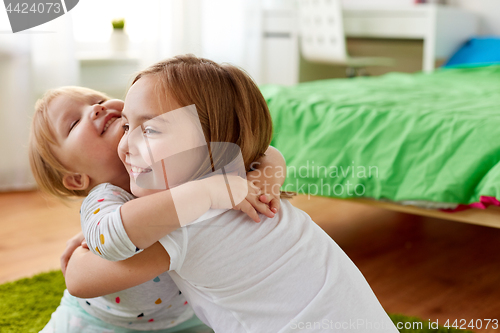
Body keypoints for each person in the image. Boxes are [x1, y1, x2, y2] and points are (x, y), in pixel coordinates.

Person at [65, 55, 399, 333]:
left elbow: (92, 265)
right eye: (127, 126)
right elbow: (269, 153)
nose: (127, 144)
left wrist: (76, 259)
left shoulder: (189, 220)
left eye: (150, 129)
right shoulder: (244, 179)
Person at [29, 85, 286, 332]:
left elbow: (266, 154)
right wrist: (206, 192)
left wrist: (263, 182)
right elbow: (109, 236)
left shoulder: (174, 165)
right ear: (77, 179)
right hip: (103, 322)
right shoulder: (104, 198)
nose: (97, 109)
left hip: (187, 316)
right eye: (74, 123)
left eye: (98, 100)